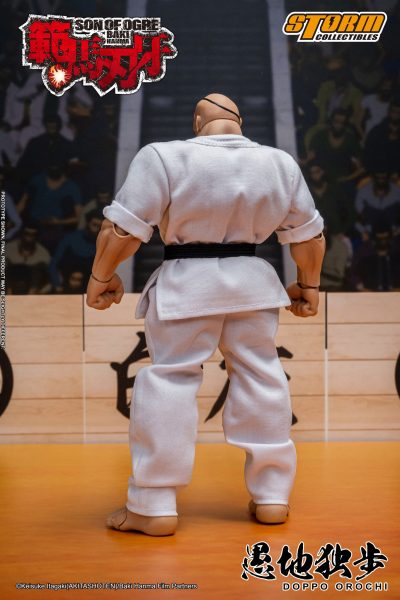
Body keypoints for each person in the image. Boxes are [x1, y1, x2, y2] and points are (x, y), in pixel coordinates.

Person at [86, 93, 325, 536]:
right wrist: (308, 285)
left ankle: (153, 502)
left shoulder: (163, 156)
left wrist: (101, 276)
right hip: (252, 286)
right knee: (262, 377)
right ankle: (272, 495)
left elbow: (121, 229)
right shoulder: (279, 163)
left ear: (198, 121)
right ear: (240, 121)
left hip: (186, 284)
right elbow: (309, 236)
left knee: (170, 381)